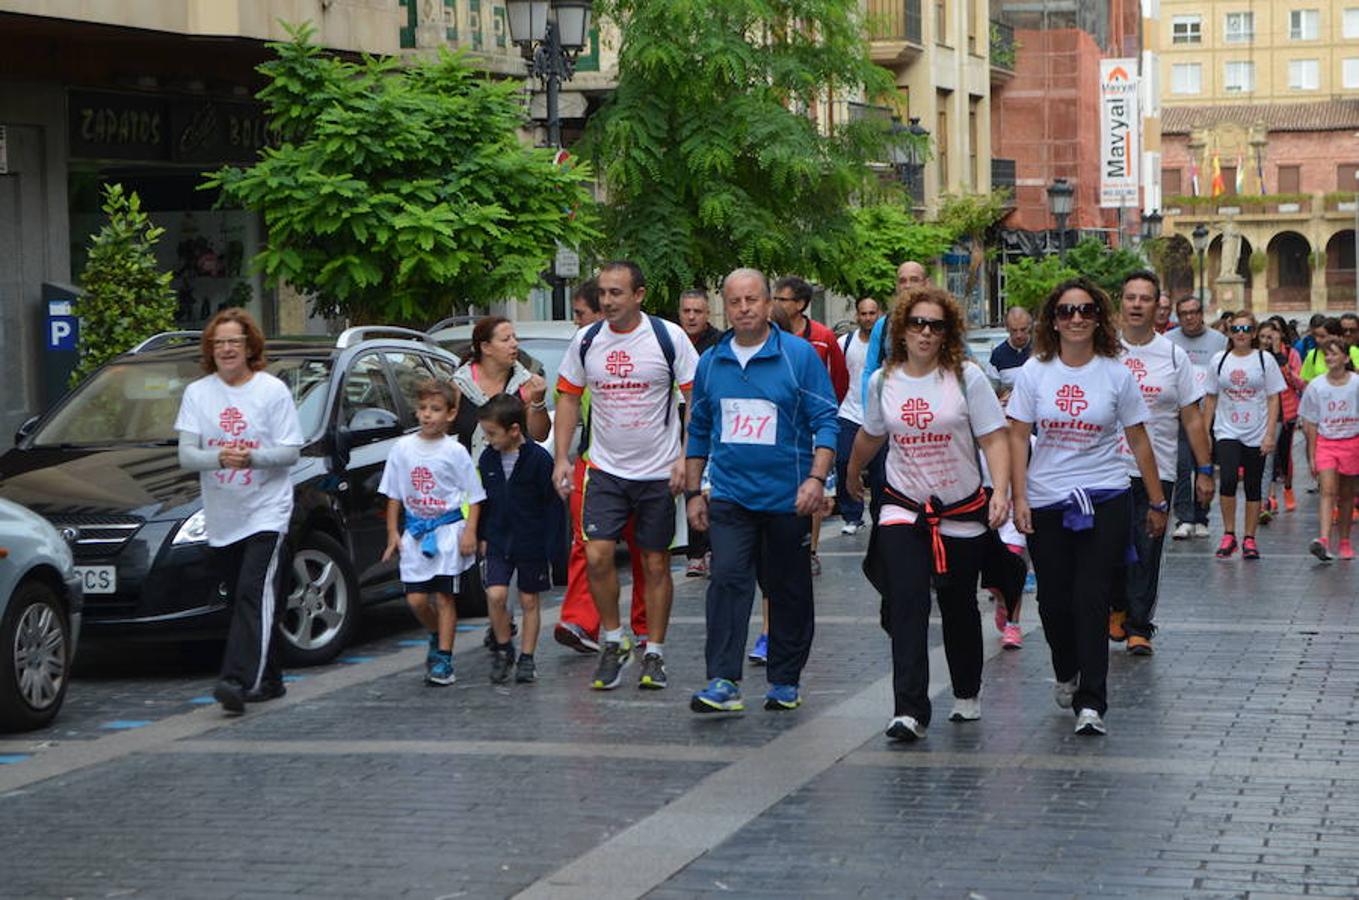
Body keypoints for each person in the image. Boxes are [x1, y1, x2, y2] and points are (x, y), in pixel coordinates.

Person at [848, 286, 1010, 740]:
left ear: (947, 333)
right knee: (907, 603)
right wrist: (852, 471)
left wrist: (1001, 492)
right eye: (917, 323)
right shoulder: (883, 381)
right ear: (901, 328)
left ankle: (966, 690)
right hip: (903, 506)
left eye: (935, 325)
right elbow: (871, 434)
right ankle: (909, 711)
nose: (925, 332)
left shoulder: (966, 379)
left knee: (958, 604)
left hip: (960, 509)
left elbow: (994, 438)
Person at [1007, 277, 1164, 737]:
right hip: (1047, 499)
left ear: (1099, 318)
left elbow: (1138, 438)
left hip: (1105, 496)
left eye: (1086, 311)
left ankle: (1092, 701)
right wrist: (1018, 496)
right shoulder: (1034, 373)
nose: (1076, 319)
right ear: (1052, 321)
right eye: (1066, 311)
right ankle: (1066, 670)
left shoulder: (1117, 373)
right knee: (1054, 602)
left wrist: (1156, 500)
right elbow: (1017, 435)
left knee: (1091, 599)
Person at [686, 268, 839, 714]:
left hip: (787, 499)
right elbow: (699, 430)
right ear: (725, 307)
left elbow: (826, 421)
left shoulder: (797, 356)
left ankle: (785, 679)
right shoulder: (712, 362)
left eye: (752, 299)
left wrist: (817, 479)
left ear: (769, 302)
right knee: (727, 582)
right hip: (731, 497)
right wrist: (695, 492)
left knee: (787, 589)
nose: (744, 308)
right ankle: (722, 680)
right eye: (735, 301)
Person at [553, 260, 699, 691]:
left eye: (617, 292)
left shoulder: (667, 337)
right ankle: (614, 640)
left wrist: (686, 458)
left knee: (654, 563)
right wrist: (562, 457)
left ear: (639, 295)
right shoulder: (587, 340)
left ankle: (654, 650)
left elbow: (696, 399)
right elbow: (567, 398)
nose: (608, 300)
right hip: (604, 469)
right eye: (603, 293)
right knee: (596, 555)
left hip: (657, 471)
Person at [176, 309, 304, 714]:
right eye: (219, 343)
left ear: (250, 347)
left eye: (234, 342)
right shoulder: (198, 394)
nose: (227, 349)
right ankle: (270, 678)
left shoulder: (271, 391)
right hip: (224, 515)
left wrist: (252, 458)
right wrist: (218, 458)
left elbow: (290, 451)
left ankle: (236, 680)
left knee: (254, 592)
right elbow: (186, 455)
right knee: (243, 598)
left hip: (267, 511)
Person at [1108, 271, 1214, 656]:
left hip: (1159, 469)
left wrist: (1204, 469)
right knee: (1109, 548)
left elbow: (1191, 417)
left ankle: (1139, 625)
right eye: (1130, 297)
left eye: (1145, 299)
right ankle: (1117, 605)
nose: (1136, 305)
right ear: (1121, 302)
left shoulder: (1173, 356)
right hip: (1107, 467)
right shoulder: (1104, 349)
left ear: (1157, 307)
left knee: (1147, 548)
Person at [555, 280, 649, 655]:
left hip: (648, 468)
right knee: (589, 545)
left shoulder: (651, 344)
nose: (577, 323)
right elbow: (567, 400)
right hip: (595, 463)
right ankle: (581, 620)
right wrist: (563, 457)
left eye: (580, 314)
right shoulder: (583, 348)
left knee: (648, 552)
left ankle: (643, 627)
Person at [377, 379, 483, 686]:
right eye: (423, 408)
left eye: (435, 409)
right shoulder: (402, 448)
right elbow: (394, 493)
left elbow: (474, 497)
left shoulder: (455, 452)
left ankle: (444, 659)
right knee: (416, 601)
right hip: (416, 532)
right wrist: (392, 533)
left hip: (447, 532)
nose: (427, 415)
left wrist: (470, 533)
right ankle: (436, 634)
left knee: (444, 597)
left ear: (450, 414)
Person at [477, 394, 556, 684]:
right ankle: (503, 647)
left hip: (530, 540)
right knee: (495, 595)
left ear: (513, 430)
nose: (488, 440)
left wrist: (552, 546)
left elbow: (551, 505)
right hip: (497, 538)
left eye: (492, 433)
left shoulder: (538, 460)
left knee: (529, 600)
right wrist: (481, 534)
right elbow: (481, 499)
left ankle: (527, 657)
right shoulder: (488, 458)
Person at [773, 276, 849, 575]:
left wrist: (824, 416)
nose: (776, 304)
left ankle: (811, 550)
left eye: (782, 299)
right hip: (783, 426)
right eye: (775, 298)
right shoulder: (770, 334)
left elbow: (839, 381)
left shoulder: (822, 337)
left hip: (814, 423)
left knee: (814, 485)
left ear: (801, 304)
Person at [1202, 311, 1285, 561]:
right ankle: (1229, 534)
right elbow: (1211, 396)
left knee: (1252, 484)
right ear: (1229, 332)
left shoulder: (1264, 360)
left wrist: (1270, 433)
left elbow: (1273, 399)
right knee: (1227, 479)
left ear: (1254, 333)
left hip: (1256, 430)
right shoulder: (1219, 359)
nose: (1241, 334)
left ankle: (1249, 537)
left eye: (1246, 329)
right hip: (1227, 430)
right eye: (1236, 329)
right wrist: (1205, 432)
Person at [1166, 294, 1228, 539]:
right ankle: (1184, 517)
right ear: (1178, 317)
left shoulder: (1219, 341)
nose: (1190, 317)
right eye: (1184, 314)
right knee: (1180, 465)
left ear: (1202, 314)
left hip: (1209, 415)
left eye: (1194, 312)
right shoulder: (1169, 341)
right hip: (1177, 415)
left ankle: (1202, 515)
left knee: (1205, 465)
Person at [450, 316, 549, 464]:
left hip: (516, 474)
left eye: (515, 338)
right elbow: (443, 433)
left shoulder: (526, 383)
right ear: (485, 347)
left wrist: (538, 401)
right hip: (469, 475)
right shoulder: (459, 384)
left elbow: (540, 435)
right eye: (506, 340)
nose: (514, 344)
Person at [1301, 337, 1359, 561]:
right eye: (1327, 354)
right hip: (1326, 443)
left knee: (1346, 496)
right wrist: (1312, 455)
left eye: (1334, 353)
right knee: (1327, 491)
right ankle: (1323, 539)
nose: (1329, 358)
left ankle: (1344, 540)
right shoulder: (1316, 386)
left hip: (1352, 442)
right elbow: (1311, 424)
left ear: (1345, 358)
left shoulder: (1355, 383)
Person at [678, 288, 723, 577]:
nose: (692, 316)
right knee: (687, 482)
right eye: (686, 311)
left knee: (709, 486)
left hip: (709, 420)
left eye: (698, 311)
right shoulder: (671, 339)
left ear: (707, 314)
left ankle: (712, 547)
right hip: (676, 418)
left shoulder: (718, 343)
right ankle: (695, 551)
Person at [835, 296, 882, 536]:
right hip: (849, 413)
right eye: (863, 313)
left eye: (872, 313)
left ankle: (879, 516)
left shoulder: (885, 343)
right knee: (843, 461)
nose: (867, 318)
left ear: (879, 314)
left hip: (878, 417)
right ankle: (852, 515)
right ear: (857, 316)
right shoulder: (845, 342)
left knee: (879, 471)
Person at [862, 261, 930, 401]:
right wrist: (869, 410)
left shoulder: (942, 322)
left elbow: (964, 363)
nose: (908, 286)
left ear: (926, 283)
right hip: (895, 407)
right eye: (902, 281)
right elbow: (869, 372)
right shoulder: (883, 326)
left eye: (914, 280)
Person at [1257, 319, 1305, 519]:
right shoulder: (1255, 355)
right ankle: (1267, 498)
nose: (1267, 340)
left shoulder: (1290, 354)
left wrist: (1279, 356)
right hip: (1262, 413)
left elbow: (1298, 382)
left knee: (1284, 456)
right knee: (1267, 458)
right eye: (1264, 336)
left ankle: (1287, 488)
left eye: (1272, 336)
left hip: (1287, 411)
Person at [989, 306, 1033, 397]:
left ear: (1029, 326)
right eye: (1014, 330)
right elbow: (991, 392)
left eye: (1023, 329)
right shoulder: (998, 355)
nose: (1019, 335)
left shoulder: (1042, 350)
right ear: (1007, 328)